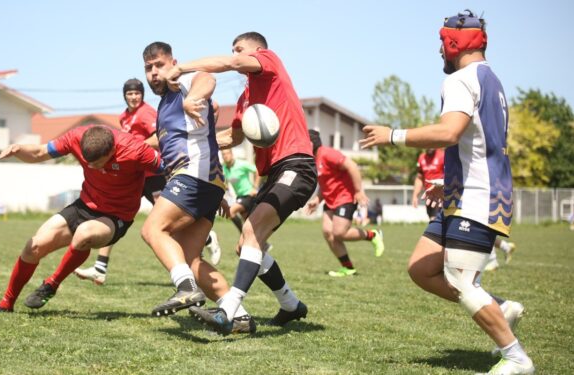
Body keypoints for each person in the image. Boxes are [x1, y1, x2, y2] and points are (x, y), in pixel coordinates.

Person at [360, 11, 533, 374]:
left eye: (443, 42)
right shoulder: (491, 79)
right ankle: (499, 309)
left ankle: (517, 358)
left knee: (459, 279)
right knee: (421, 269)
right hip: (464, 193)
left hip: (477, 198)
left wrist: (393, 135)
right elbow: (478, 144)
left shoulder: (460, 79)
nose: (440, 50)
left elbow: (450, 132)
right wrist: (447, 180)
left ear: (455, 42)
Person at [167, 32, 316, 334]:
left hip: (297, 164)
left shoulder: (270, 62)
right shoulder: (245, 99)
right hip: (275, 172)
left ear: (257, 50)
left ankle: (227, 311)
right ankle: (290, 305)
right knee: (246, 244)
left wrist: (183, 69)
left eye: (239, 48)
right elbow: (232, 137)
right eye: (233, 49)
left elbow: (232, 63)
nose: (235, 53)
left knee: (251, 230)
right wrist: (189, 140)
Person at [139, 41, 256, 332]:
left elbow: (207, 78)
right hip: (207, 182)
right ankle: (238, 316)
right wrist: (131, 147)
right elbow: (168, 139)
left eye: (159, 65)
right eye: (148, 68)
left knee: (152, 229)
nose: (154, 73)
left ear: (173, 62)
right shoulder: (165, 104)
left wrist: (193, 97)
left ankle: (185, 289)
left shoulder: (182, 81)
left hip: (191, 176)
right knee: (190, 259)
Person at [0, 125, 162, 314]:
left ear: (112, 151)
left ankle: (51, 284)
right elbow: (40, 152)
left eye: (98, 163)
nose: (92, 167)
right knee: (33, 246)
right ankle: (6, 304)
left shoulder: (135, 150)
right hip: (84, 205)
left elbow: (170, 169)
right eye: (88, 162)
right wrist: (19, 149)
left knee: (84, 234)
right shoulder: (76, 137)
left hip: (116, 216)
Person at [73, 78, 222, 286]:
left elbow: (161, 137)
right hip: (136, 176)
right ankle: (100, 267)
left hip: (155, 176)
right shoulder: (124, 116)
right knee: (113, 213)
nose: (133, 97)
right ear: (124, 96)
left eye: (137, 93)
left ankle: (206, 239)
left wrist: (135, 146)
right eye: (129, 94)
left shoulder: (147, 113)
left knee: (167, 221)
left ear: (142, 95)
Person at [413, 149, 517, 272]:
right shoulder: (422, 158)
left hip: (445, 196)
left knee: (441, 227)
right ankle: (504, 247)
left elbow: (453, 172)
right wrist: (415, 194)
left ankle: (491, 260)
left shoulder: (442, 155)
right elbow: (419, 177)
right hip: (430, 197)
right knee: (469, 230)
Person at [304, 129, 384, 277]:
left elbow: (352, 166)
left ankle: (372, 235)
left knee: (339, 233)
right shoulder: (313, 160)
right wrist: (317, 199)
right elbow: (325, 182)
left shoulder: (327, 153)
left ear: (310, 143)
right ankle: (348, 268)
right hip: (330, 200)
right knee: (328, 232)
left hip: (345, 197)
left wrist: (359, 191)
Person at [221, 148, 260, 233]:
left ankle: (242, 234)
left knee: (231, 212)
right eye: (223, 154)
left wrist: (255, 187)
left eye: (227, 153)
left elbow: (257, 171)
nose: (226, 156)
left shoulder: (241, 164)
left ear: (232, 154)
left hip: (248, 195)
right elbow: (226, 182)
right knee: (248, 223)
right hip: (239, 196)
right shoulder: (224, 168)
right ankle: (262, 244)